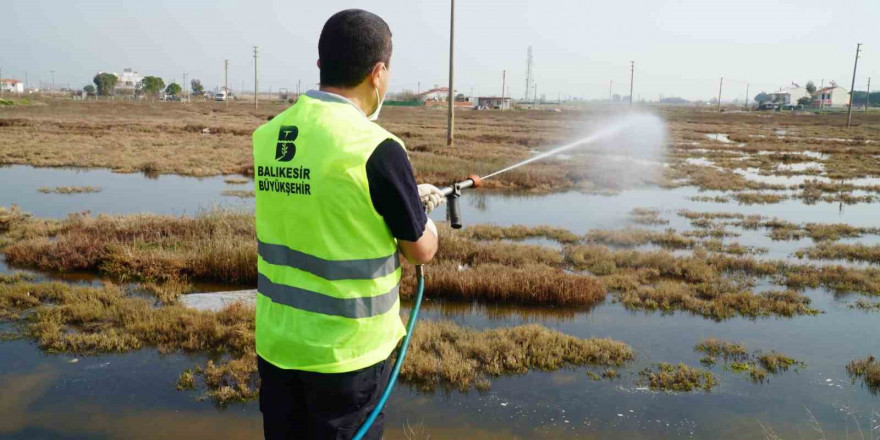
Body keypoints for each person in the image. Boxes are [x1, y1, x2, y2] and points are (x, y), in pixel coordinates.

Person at [251, 8, 444, 440]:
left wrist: (407, 198)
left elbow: (326, 203)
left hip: (278, 347)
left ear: (321, 65)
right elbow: (419, 250)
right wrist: (424, 218)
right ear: (378, 74)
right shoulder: (377, 148)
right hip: (348, 360)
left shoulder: (269, 135)